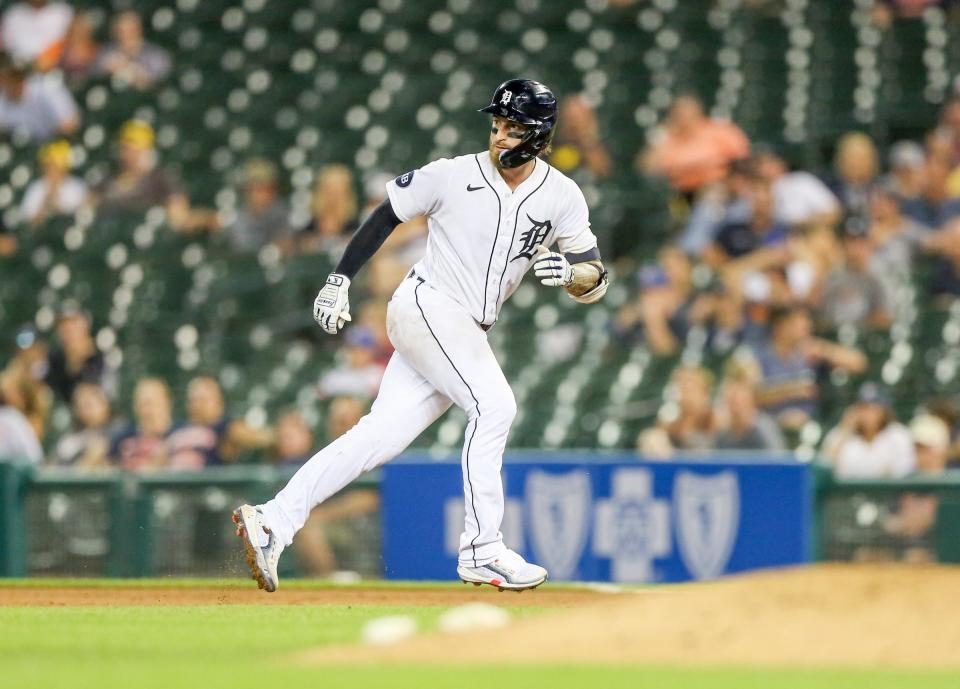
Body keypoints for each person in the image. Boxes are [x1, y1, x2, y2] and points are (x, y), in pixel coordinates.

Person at [233, 78, 610, 593]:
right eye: (496, 124)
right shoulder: (453, 174)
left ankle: (274, 520)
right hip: (428, 305)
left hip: (462, 327)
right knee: (495, 406)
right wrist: (341, 277)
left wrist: (571, 276)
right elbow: (385, 214)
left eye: (513, 126)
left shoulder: (562, 196)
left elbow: (594, 276)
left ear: (539, 134)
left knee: (377, 439)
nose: (500, 135)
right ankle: (483, 549)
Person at [751, 306, 867, 430]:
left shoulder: (811, 352)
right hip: (769, 424)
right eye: (799, 322)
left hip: (810, 426)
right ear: (781, 326)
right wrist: (793, 390)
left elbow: (860, 363)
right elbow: (752, 396)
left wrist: (824, 351)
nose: (807, 326)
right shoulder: (760, 356)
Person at [91, 119, 206, 231]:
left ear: (145, 150)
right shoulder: (109, 176)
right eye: (125, 148)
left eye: (133, 149)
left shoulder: (161, 178)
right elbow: (90, 205)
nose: (127, 153)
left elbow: (179, 217)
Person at [641, 93, 749, 196]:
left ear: (698, 110)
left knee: (710, 202)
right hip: (683, 195)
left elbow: (742, 162)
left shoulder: (720, 131)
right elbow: (647, 168)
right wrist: (661, 136)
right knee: (674, 210)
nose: (683, 116)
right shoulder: (669, 140)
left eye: (686, 110)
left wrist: (729, 185)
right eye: (678, 112)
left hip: (721, 191)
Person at [166, 376, 273, 469]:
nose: (198, 406)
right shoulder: (177, 429)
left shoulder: (224, 428)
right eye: (194, 400)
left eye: (204, 400)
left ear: (218, 402)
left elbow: (262, 437)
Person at [821, 383, 915, 478]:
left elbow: (904, 470)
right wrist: (846, 430)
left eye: (874, 408)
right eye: (864, 408)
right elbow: (825, 466)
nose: (868, 414)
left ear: (884, 411)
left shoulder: (898, 434)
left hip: (887, 492)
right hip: (846, 492)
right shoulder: (841, 433)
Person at [0, 53, 79, 141]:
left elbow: (70, 124)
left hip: (60, 142)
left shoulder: (46, 87)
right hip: (29, 149)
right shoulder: (2, 103)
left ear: (21, 75)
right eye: (4, 78)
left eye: (14, 75)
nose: (10, 82)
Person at [44, 304, 112, 404]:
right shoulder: (54, 361)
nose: (69, 329)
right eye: (63, 324)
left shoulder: (104, 358)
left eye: (74, 322)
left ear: (86, 324)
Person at [108, 378, 177, 471]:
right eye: (140, 404)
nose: (145, 410)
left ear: (167, 402)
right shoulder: (122, 438)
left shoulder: (182, 434)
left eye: (150, 403)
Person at [224, 158, 292, 253]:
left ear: (273, 189)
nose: (256, 193)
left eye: (262, 188)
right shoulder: (241, 211)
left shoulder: (282, 211)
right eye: (252, 188)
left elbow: (285, 243)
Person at [93, 10, 170, 90]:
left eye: (131, 31)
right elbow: (95, 75)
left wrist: (131, 70)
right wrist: (107, 70)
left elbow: (157, 84)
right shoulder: (107, 52)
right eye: (121, 31)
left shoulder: (156, 55)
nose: (126, 36)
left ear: (139, 30)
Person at [20, 139, 88, 226]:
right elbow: (29, 223)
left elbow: (82, 214)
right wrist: (48, 200)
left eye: (55, 166)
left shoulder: (76, 186)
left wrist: (57, 209)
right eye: (48, 165)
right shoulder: (36, 188)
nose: (51, 170)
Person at [713, 372, 787, 452]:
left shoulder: (763, 431)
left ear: (750, 401)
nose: (733, 409)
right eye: (730, 401)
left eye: (737, 401)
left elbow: (777, 460)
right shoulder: (722, 435)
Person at [52, 382, 113, 468]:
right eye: (80, 406)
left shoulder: (119, 430)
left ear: (104, 404)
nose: (86, 411)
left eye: (89, 405)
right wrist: (87, 461)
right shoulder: (70, 440)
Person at [0, 0, 73, 71]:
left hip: (56, 71)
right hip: (16, 71)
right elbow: (5, 49)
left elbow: (73, 47)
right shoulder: (12, 14)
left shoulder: (63, 11)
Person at [0, 367, 44, 465]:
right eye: (4, 392)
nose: (7, 396)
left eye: (12, 392)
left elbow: (33, 455)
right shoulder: (6, 415)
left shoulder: (32, 417)